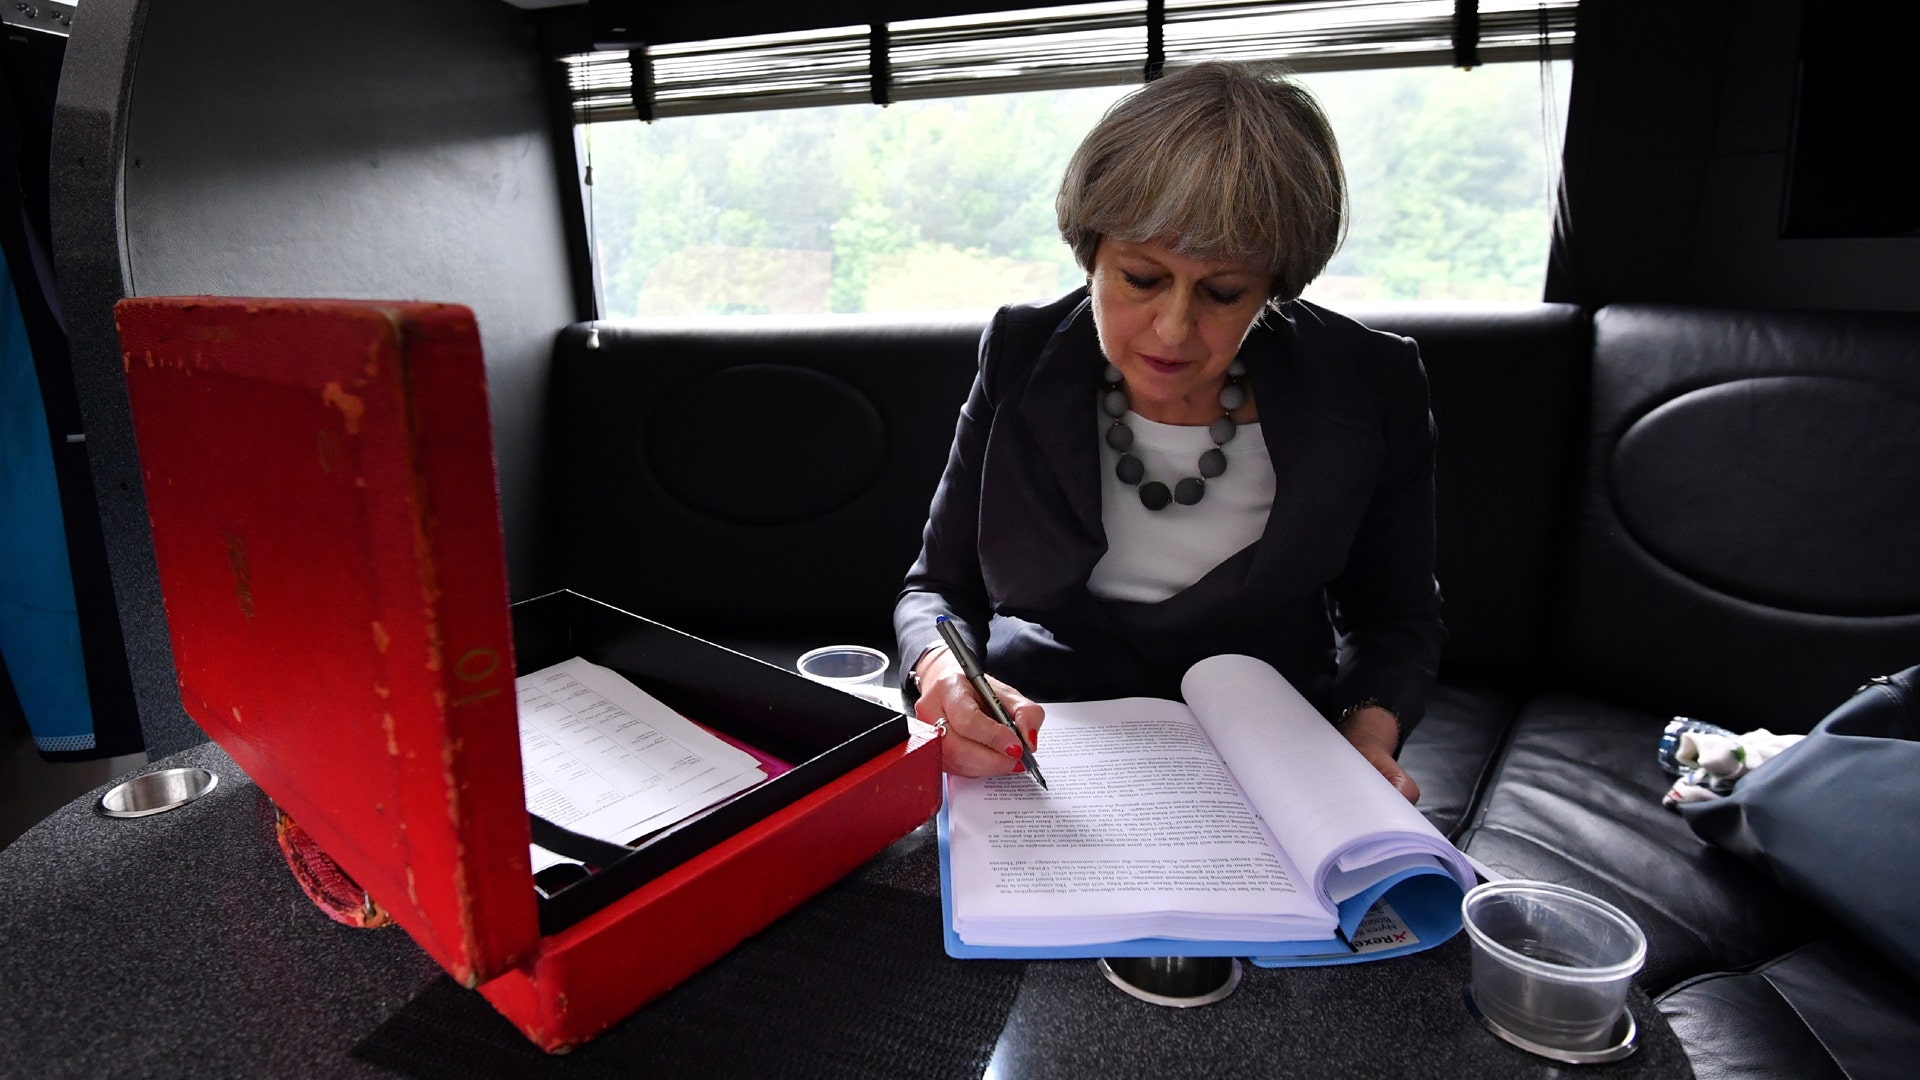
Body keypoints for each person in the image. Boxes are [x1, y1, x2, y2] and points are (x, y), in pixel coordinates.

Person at [894, 61, 1442, 802]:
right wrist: (949, 675)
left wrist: (1365, 737)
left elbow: (1396, 616)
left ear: (1275, 285)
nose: (1174, 329)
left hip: (1271, 745)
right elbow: (937, 587)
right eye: (1142, 278)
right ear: (1091, 252)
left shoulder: (1370, 384)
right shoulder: (1021, 355)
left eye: (1223, 292)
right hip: (1049, 733)